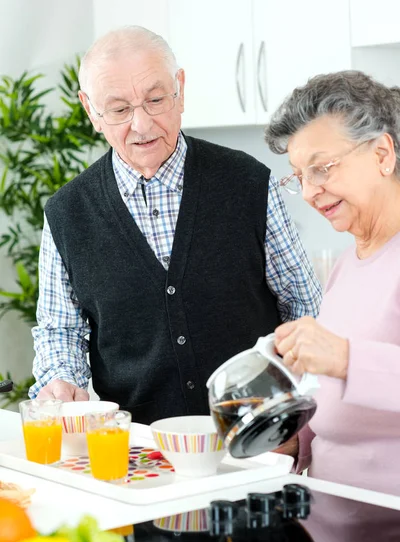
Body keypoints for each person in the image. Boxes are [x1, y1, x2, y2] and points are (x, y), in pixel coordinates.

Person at [29, 26, 321, 424]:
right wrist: (60, 380)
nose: (142, 125)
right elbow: (59, 331)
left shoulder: (248, 182)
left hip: (255, 437)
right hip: (138, 452)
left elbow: (305, 307)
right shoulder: (67, 213)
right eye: (118, 110)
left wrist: (300, 412)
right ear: (90, 111)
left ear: (180, 89)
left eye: (155, 99)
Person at [265, 70, 400, 495]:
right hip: (334, 519)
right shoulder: (347, 263)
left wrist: (343, 357)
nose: (308, 192)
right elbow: (336, 397)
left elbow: (347, 365)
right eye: (299, 176)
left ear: (382, 154)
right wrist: (294, 441)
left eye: (321, 168)